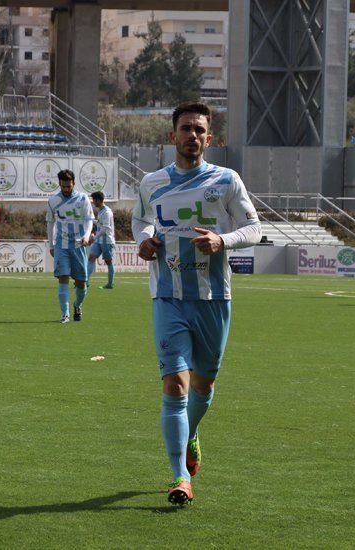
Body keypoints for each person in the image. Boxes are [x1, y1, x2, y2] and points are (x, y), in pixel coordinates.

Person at [132, 102, 261, 506]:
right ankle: (179, 475)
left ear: (210, 138)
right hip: (168, 296)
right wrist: (145, 239)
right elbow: (140, 219)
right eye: (185, 128)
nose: (192, 135)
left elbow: (255, 227)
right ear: (173, 136)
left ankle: (191, 434)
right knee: (175, 385)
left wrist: (223, 240)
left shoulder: (226, 180)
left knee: (203, 385)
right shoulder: (152, 183)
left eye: (199, 130)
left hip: (212, 299)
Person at [46, 169, 94, 323]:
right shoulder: (53, 200)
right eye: (63, 186)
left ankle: (77, 305)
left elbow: (89, 219)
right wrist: (51, 244)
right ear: (59, 184)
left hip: (79, 244)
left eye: (69, 186)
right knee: (63, 278)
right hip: (61, 244)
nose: (66, 189)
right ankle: (65, 314)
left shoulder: (82, 199)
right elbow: (50, 223)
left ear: (74, 183)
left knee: (81, 283)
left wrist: (86, 236)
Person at [87, 191, 116, 289]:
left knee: (108, 261)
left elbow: (105, 228)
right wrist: (89, 220)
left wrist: (94, 237)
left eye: (94, 200)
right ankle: (85, 281)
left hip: (106, 240)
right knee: (91, 257)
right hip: (99, 240)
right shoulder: (101, 211)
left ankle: (110, 284)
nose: (93, 202)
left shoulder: (107, 212)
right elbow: (100, 224)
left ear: (98, 200)